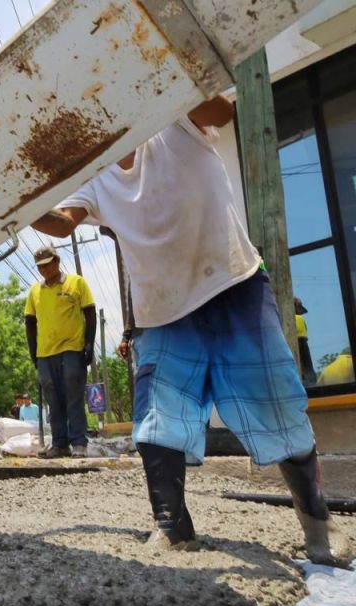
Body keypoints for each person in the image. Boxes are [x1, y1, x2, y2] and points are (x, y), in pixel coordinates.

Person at [31, 96, 348, 564]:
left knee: (277, 404)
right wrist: (11, 201)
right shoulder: (96, 178)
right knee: (158, 421)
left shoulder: (173, 118)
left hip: (231, 284)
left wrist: (170, 73)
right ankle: (173, 528)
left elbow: (221, 113)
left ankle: (318, 524)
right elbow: (60, 224)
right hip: (162, 312)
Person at [24, 246, 96, 458]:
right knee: (52, 399)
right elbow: (30, 321)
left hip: (72, 348)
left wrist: (89, 344)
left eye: (47, 265)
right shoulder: (35, 291)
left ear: (56, 261)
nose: (44, 270)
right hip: (45, 353)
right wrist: (33, 351)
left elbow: (90, 313)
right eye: (40, 267)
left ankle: (79, 443)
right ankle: (59, 444)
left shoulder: (76, 283)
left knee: (73, 395)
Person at [294, 298, 317, 385]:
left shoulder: (295, 318)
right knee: (307, 368)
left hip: (298, 342)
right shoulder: (300, 318)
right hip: (302, 342)